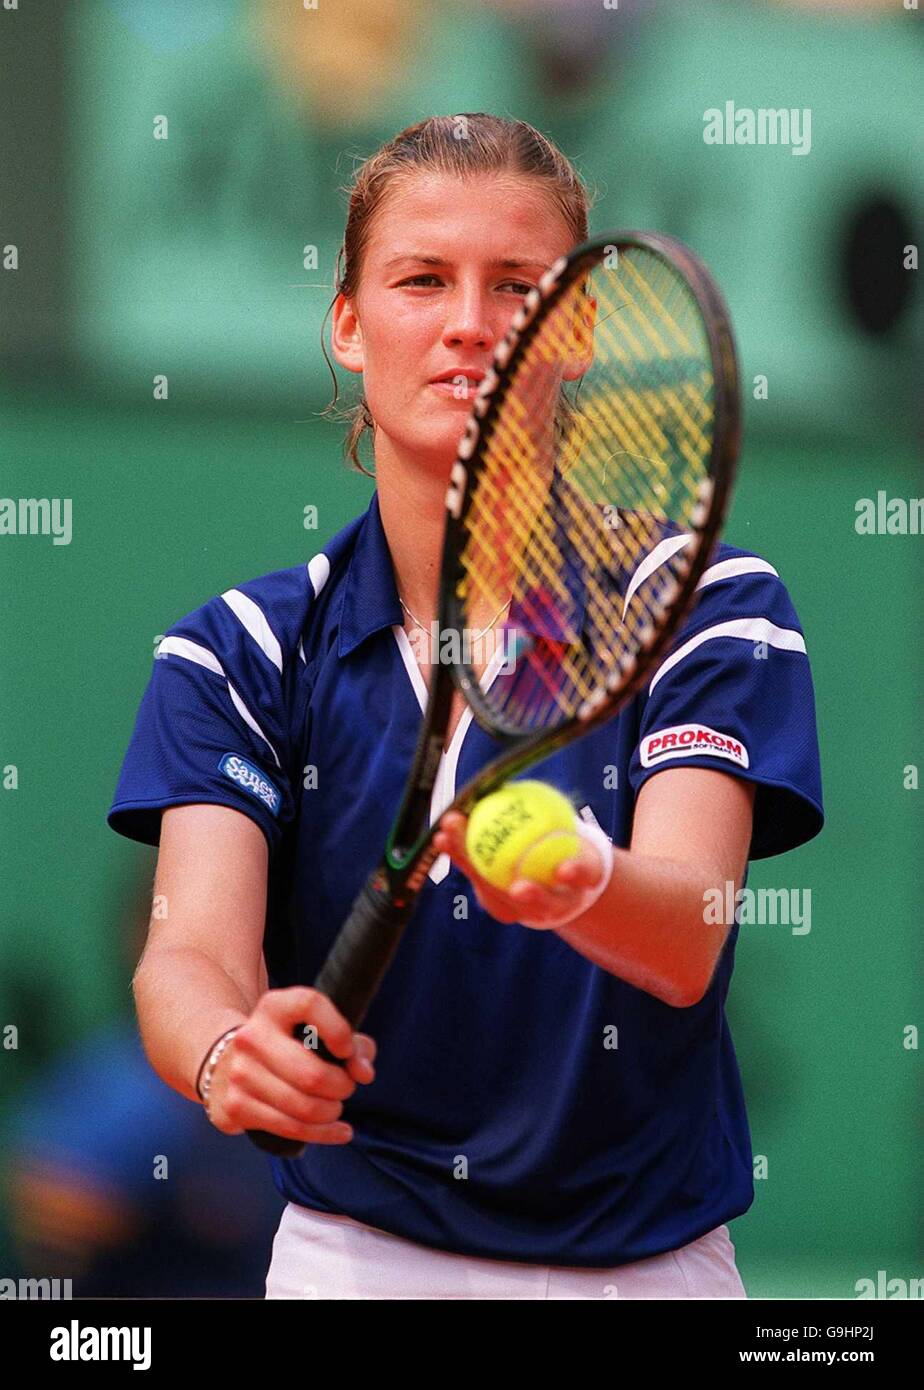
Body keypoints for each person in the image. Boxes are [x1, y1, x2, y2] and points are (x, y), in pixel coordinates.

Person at [108, 113, 823, 1300]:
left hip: (653, 1274)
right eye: (422, 279)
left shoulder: (706, 601)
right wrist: (227, 1053)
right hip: (356, 1264)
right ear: (348, 322)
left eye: (519, 288)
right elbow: (187, 954)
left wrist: (573, 877)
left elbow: (687, 936)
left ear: (578, 328)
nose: (470, 324)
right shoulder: (234, 654)